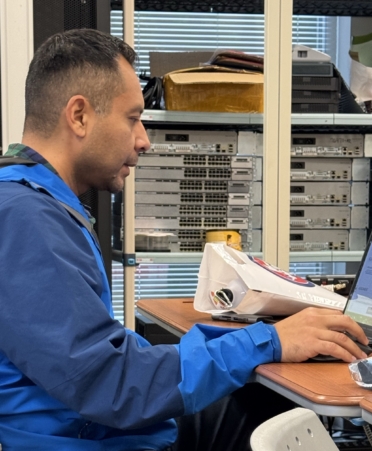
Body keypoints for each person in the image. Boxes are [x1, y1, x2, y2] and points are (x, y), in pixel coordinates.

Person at [0, 28, 368, 451]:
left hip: (97, 426)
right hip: (96, 439)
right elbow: (114, 385)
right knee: (272, 410)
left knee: (258, 397)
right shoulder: (24, 218)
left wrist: (258, 340)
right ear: (79, 116)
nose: (144, 141)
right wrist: (270, 340)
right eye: (133, 118)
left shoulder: (34, 200)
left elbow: (103, 358)